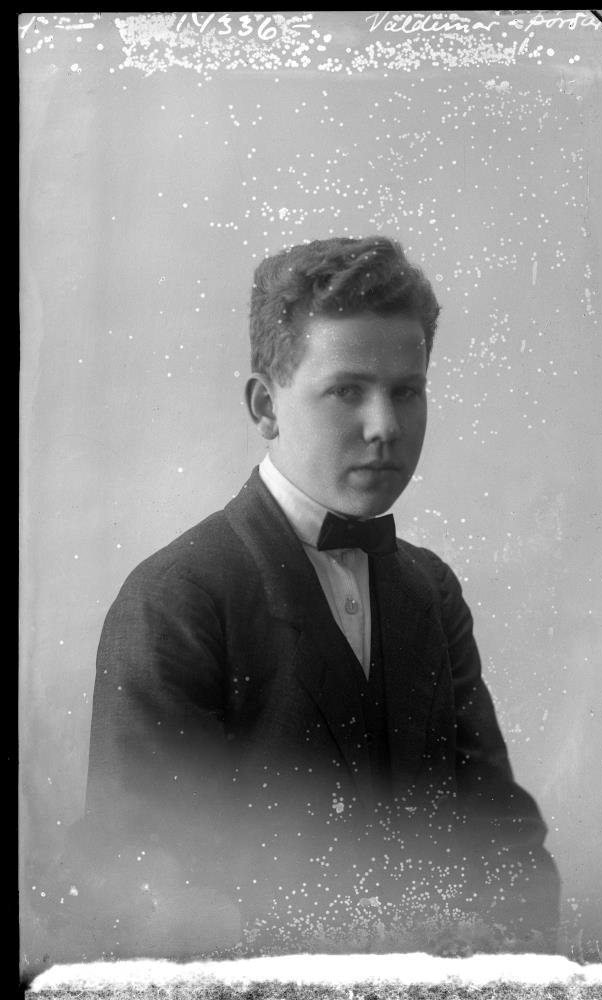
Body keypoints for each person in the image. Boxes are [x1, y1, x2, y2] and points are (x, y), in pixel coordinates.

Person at [59, 236, 560, 961]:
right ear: (266, 406)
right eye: (347, 390)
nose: (385, 427)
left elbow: (504, 842)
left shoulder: (429, 589)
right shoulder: (176, 599)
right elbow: (139, 895)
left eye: (407, 391)